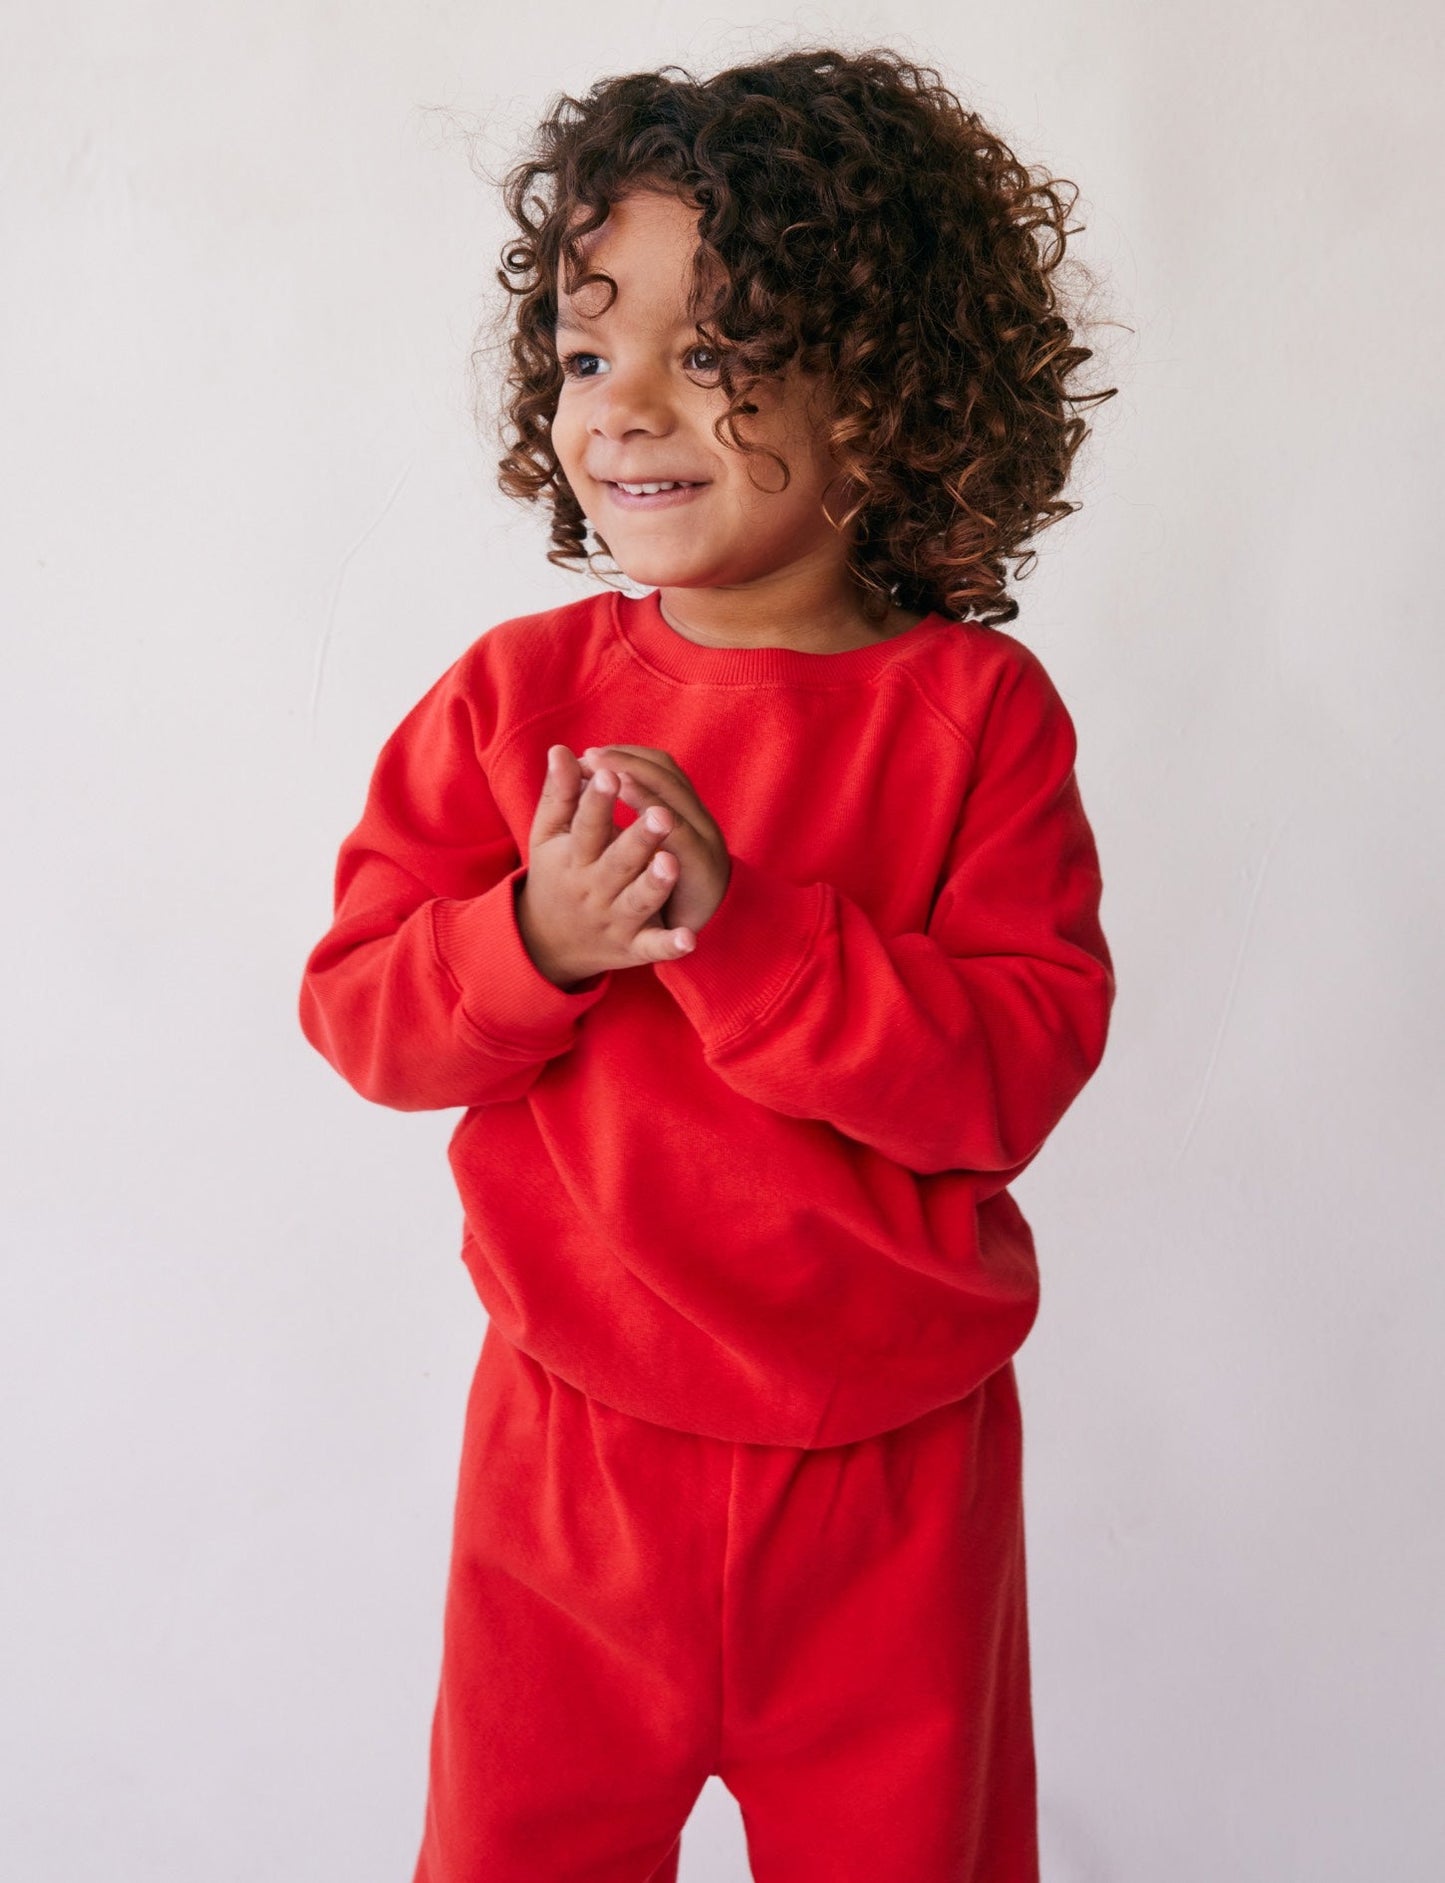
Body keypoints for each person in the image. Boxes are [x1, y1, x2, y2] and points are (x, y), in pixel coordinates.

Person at [298, 44, 1117, 1883]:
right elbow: (361, 1011)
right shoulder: (522, 701)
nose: (630, 408)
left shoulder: (975, 716)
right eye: (594, 353)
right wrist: (531, 942)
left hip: (892, 1479)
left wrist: (742, 936)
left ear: (892, 400)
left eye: (716, 351)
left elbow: (1012, 1068)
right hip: (570, 1454)